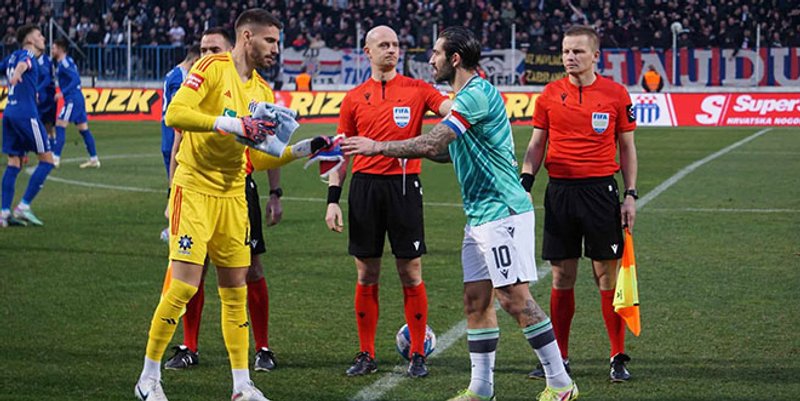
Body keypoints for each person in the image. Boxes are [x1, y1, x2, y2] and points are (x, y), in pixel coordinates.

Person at [343, 26, 578, 401]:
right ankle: (481, 389)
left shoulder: (476, 94)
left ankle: (561, 383)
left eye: (436, 53)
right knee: (475, 300)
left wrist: (378, 146)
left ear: (454, 59)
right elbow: (442, 151)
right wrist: (400, 147)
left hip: (502, 211)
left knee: (514, 299)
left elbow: (434, 141)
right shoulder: (464, 97)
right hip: (480, 216)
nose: (430, 60)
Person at [134, 9, 285, 401]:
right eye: (270, 41)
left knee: (235, 293)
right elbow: (175, 114)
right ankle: (148, 378)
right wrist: (231, 123)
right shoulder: (212, 66)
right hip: (196, 189)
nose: (276, 49)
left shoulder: (264, 93)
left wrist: (305, 150)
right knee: (183, 287)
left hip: (234, 196)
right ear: (247, 37)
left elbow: (263, 157)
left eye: (278, 42)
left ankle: (241, 386)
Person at [324, 25, 451, 378]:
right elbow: (341, 153)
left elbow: (448, 108)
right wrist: (333, 200)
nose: (392, 50)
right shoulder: (353, 98)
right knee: (367, 274)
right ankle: (366, 353)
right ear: (367, 52)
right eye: (384, 45)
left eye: (396, 44)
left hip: (405, 187)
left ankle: (417, 355)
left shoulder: (418, 89)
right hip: (364, 188)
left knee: (410, 272)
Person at [521, 25, 638, 383]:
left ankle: (617, 356)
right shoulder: (549, 95)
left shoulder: (616, 94)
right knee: (562, 276)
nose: (570, 57)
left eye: (577, 52)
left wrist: (630, 194)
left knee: (606, 276)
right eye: (566, 51)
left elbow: (627, 148)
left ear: (595, 56)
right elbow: (537, 143)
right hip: (560, 193)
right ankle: (560, 359)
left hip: (600, 192)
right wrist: (525, 181)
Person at [1, 24, 57, 228]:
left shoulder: (11, 56)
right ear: (30, 40)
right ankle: (23, 206)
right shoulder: (28, 56)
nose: (43, 38)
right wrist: (17, 74)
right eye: (39, 35)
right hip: (26, 115)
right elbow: (24, 64)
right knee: (48, 160)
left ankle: (4, 213)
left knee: (14, 163)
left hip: (9, 113)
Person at [50, 38, 100, 168]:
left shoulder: (65, 63)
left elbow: (76, 80)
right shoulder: (66, 62)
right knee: (83, 129)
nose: (52, 50)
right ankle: (94, 159)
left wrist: (62, 93)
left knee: (60, 125)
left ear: (60, 49)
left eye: (54, 48)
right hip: (77, 98)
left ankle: (55, 158)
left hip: (72, 99)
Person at [160, 44, 201, 178]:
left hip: (168, 126)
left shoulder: (173, 72)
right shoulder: (181, 77)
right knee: (178, 163)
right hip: (175, 126)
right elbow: (177, 104)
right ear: (195, 61)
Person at [36, 51, 57, 149]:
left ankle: (50, 150)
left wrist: (37, 90)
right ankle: (52, 150)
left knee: (42, 125)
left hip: (45, 96)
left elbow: (47, 79)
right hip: (50, 95)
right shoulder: (47, 59)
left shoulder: (43, 61)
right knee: (48, 126)